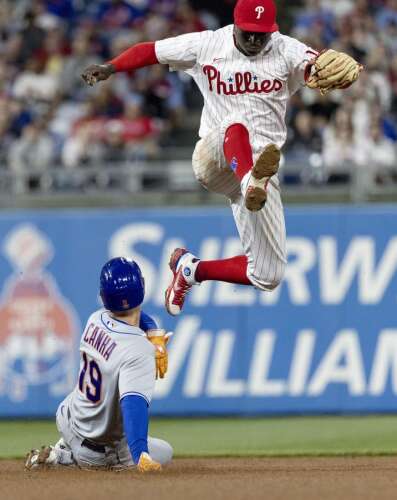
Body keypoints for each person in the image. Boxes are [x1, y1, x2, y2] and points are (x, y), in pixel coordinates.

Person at [81, 0, 362, 316]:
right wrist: (111, 66)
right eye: (249, 33)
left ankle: (191, 270)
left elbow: (317, 67)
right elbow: (152, 50)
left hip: (261, 174)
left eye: (262, 34)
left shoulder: (287, 49)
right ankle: (248, 181)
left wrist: (333, 74)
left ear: (273, 30)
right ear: (235, 24)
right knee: (236, 120)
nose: (255, 40)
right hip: (215, 158)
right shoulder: (207, 44)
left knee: (268, 274)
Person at [25, 257, 172, 472]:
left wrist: (153, 331)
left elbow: (130, 314)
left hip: (68, 420)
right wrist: (141, 455)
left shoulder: (95, 319)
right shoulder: (139, 351)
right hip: (97, 452)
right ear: (142, 287)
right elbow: (133, 406)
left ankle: (61, 449)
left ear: (104, 295)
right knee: (165, 451)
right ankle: (67, 459)